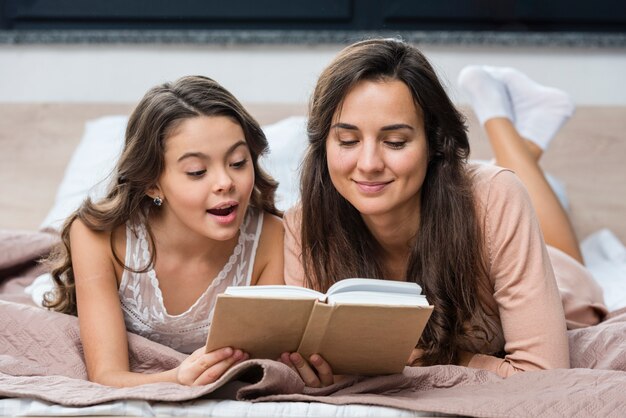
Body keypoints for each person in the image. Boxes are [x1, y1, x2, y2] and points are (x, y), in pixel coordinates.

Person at [282, 38, 607, 387]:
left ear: (434, 142)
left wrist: (428, 357)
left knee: (503, 189)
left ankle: (499, 113)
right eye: (348, 141)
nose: (369, 164)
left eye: (395, 142)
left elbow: (543, 375)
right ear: (323, 144)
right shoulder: (303, 225)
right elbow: (314, 360)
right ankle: (529, 133)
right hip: (468, 207)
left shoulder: (495, 199)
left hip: (564, 283)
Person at [44, 75, 285, 387]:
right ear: (152, 183)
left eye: (238, 162)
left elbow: (259, 365)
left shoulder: (271, 238)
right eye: (197, 171)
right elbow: (106, 375)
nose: (225, 182)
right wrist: (177, 378)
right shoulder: (97, 238)